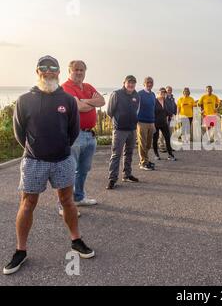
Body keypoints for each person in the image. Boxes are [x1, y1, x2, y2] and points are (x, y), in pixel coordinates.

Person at [4, 56, 94, 275]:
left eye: (53, 69)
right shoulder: (24, 100)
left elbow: (73, 132)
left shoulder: (68, 100)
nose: (48, 72)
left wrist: (61, 148)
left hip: (63, 160)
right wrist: (36, 149)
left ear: (58, 72)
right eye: (44, 69)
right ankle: (20, 251)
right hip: (34, 161)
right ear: (37, 72)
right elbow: (20, 134)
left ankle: (76, 240)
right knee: (27, 204)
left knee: (68, 201)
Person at [59, 60, 105, 216]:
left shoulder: (88, 86)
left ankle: (78, 197)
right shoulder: (65, 87)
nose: (79, 72)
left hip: (89, 135)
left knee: (84, 169)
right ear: (69, 71)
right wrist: (89, 103)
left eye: (82, 70)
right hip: (74, 135)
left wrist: (84, 100)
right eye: (76, 70)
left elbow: (102, 101)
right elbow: (79, 107)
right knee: (69, 170)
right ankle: (64, 205)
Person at [106, 75, 140, 190]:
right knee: (116, 154)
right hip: (120, 129)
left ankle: (127, 175)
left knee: (129, 153)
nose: (131, 85)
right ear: (124, 83)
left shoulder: (136, 95)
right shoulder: (117, 94)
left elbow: (136, 110)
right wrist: (118, 121)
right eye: (129, 82)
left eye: (133, 83)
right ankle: (112, 179)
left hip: (132, 129)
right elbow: (109, 111)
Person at [137, 77, 157, 171]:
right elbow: (135, 108)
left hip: (151, 122)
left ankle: (145, 159)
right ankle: (143, 162)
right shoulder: (139, 94)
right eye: (148, 82)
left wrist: (153, 122)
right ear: (144, 83)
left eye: (151, 82)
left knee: (148, 144)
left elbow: (152, 109)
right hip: (141, 122)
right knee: (142, 143)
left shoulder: (153, 94)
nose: (150, 84)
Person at [153, 87, 176, 161]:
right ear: (158, 93)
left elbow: (168, 111)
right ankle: (156, 154)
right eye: (161, 93)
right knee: (155, 139)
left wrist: (172, 115)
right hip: (155, 123)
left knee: (167, 138)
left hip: (164, 123)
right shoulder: (154, 101)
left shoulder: (166, 102)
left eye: (164, 93)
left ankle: (170, 155)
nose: (163, 94)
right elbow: (151, 112)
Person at [158, 86, 177, 152]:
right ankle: (161, 146)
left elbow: (175, 106)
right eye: (168, 90)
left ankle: (169, 146)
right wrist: (168, 115)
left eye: (170, 90)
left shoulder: (172, 98)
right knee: (162, 133)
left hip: (172, 118)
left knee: (171, 133)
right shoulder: (164, 99)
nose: (169, 91)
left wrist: (174, 114)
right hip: (165, 118)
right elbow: (165, 109)